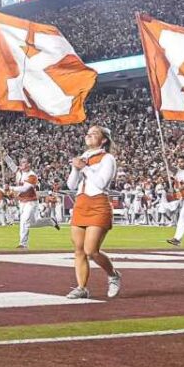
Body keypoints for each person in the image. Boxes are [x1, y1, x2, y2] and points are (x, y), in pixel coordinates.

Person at [65, 125, 122, 299]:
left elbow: (101, 183)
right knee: (79, 250)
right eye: (88, 133)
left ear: (104, 139)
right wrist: (76, 168)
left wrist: (84, 167)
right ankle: (82, 287)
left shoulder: (108, 158)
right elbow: (71, 185)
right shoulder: (83, 157)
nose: (89, 135)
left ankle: (113, 275)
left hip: (98, 204)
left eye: (94, 133)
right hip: (81, 203)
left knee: (91, 250)